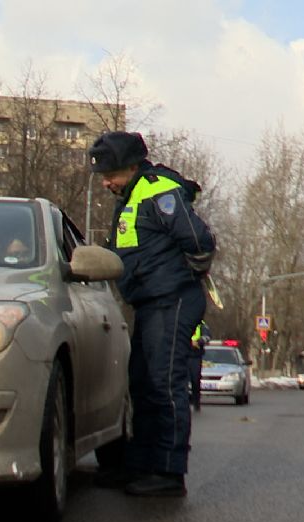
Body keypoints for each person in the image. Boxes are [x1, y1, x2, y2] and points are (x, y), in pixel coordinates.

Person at [89, 131, 216, 497]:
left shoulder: (157, 189)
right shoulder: (130, 197)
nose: (106, 182)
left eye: (110, 174)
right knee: (142, 383)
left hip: (171, 300)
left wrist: (188, 273)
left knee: (164, 384)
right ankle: (141, 464)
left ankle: (168, 470)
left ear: (131, 166)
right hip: (150, 303)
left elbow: (198, 239)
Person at [188, 321, 211, 412]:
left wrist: (199, 341)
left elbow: (207, 336)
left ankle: (196, 403)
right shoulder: (181, 318)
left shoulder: (201, 324)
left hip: (195, 356)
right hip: (182, 355)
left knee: (195, 380)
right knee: (181, 381)